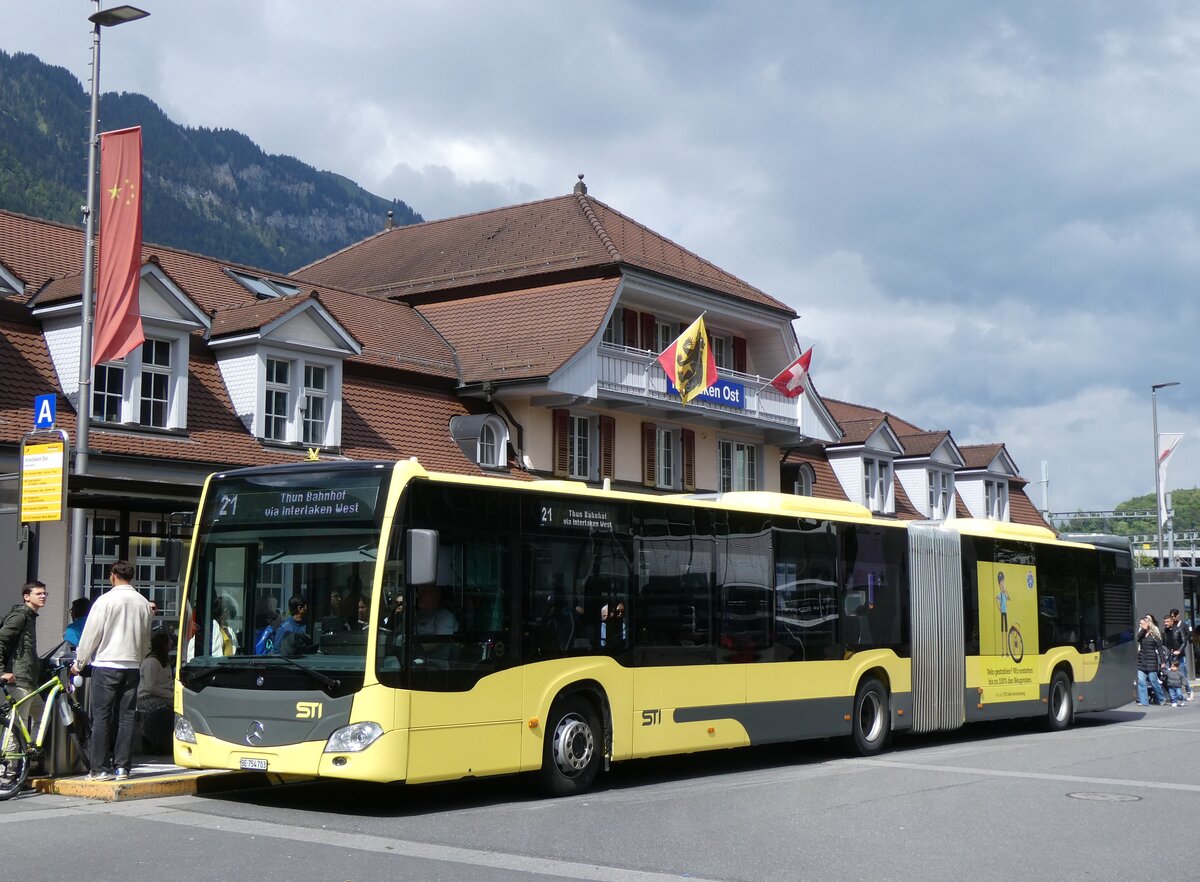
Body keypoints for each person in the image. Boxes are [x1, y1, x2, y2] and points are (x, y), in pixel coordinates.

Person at [71, 561, 152, 781]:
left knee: (102, 718)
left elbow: (91, 635)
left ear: (113, 576)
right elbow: (147, 638)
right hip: (132, 666)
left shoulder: (105, 601)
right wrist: (140, 658)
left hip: (107, 664)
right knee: (126, 717)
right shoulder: (143, 603)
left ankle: (99, 768)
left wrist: (79, 663)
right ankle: (122, 768)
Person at [0, 582, 48, 746]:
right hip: (19, 680)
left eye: (44, 594)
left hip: (29, 680)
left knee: (42, 713)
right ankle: (7, 769)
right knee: (16, 725)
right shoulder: (20, 617)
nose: (43, 596)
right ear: (26, 597)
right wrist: (1, 672)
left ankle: (30, 755)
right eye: (38, 593)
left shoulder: (30, 617)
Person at [137, 631, 174, 754]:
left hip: (161, 695)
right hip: (147, 698)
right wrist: (170, 695)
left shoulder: (165, 661)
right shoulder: (151, 662)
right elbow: (150, 687)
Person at [1136, 614, 1168, 707]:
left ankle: (1162, 699)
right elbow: (1137, 639)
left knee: (1153, 681)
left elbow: (1160, 649)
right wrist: (1143, 629)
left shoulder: (1154, 634)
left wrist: (1163, 661)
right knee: (1141, 681)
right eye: (1140, 624)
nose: (1141, 625)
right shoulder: (1141, 633)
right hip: (1141, 660)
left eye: (1142, 624)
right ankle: (1144, 701)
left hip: (1152, 661)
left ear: (1148, 623)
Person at [1167, 609, 1194, 701]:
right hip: (1171, 653)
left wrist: (1182, 644)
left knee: (1182, 673)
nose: (1173, 618)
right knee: (1172, 674)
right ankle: (1174, 695)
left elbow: (1188, 635)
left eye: (1174, 616)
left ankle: (1189, 691)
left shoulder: (1183, 624)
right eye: (1171, 616)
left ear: (1178, 615)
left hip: (1180, 652)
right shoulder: (1170, 627)